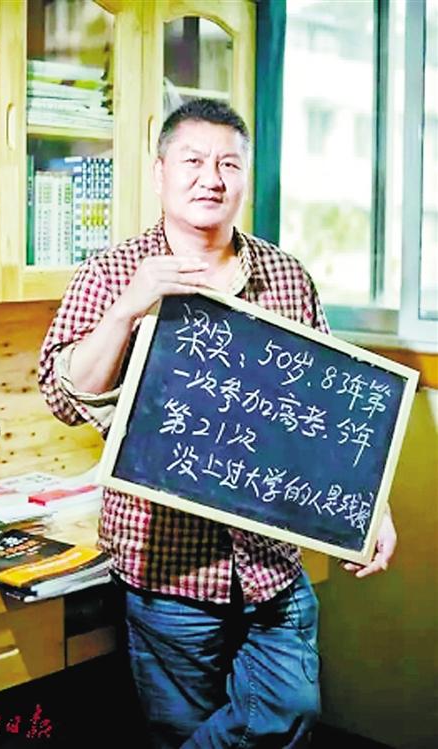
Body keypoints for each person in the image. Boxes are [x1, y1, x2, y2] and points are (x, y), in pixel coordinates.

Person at [38, 98, 397, 749]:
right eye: (194, 161)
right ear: (160, 173)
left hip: (272, 558)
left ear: (244, 178)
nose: (211, 178)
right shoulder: (114, 272)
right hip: (168, 567)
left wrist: (372, 510)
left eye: (228, 164)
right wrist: (127, 309)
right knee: (179, 726)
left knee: (290, 708)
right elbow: (65, 395)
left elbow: (330, 415)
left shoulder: (286, 276)